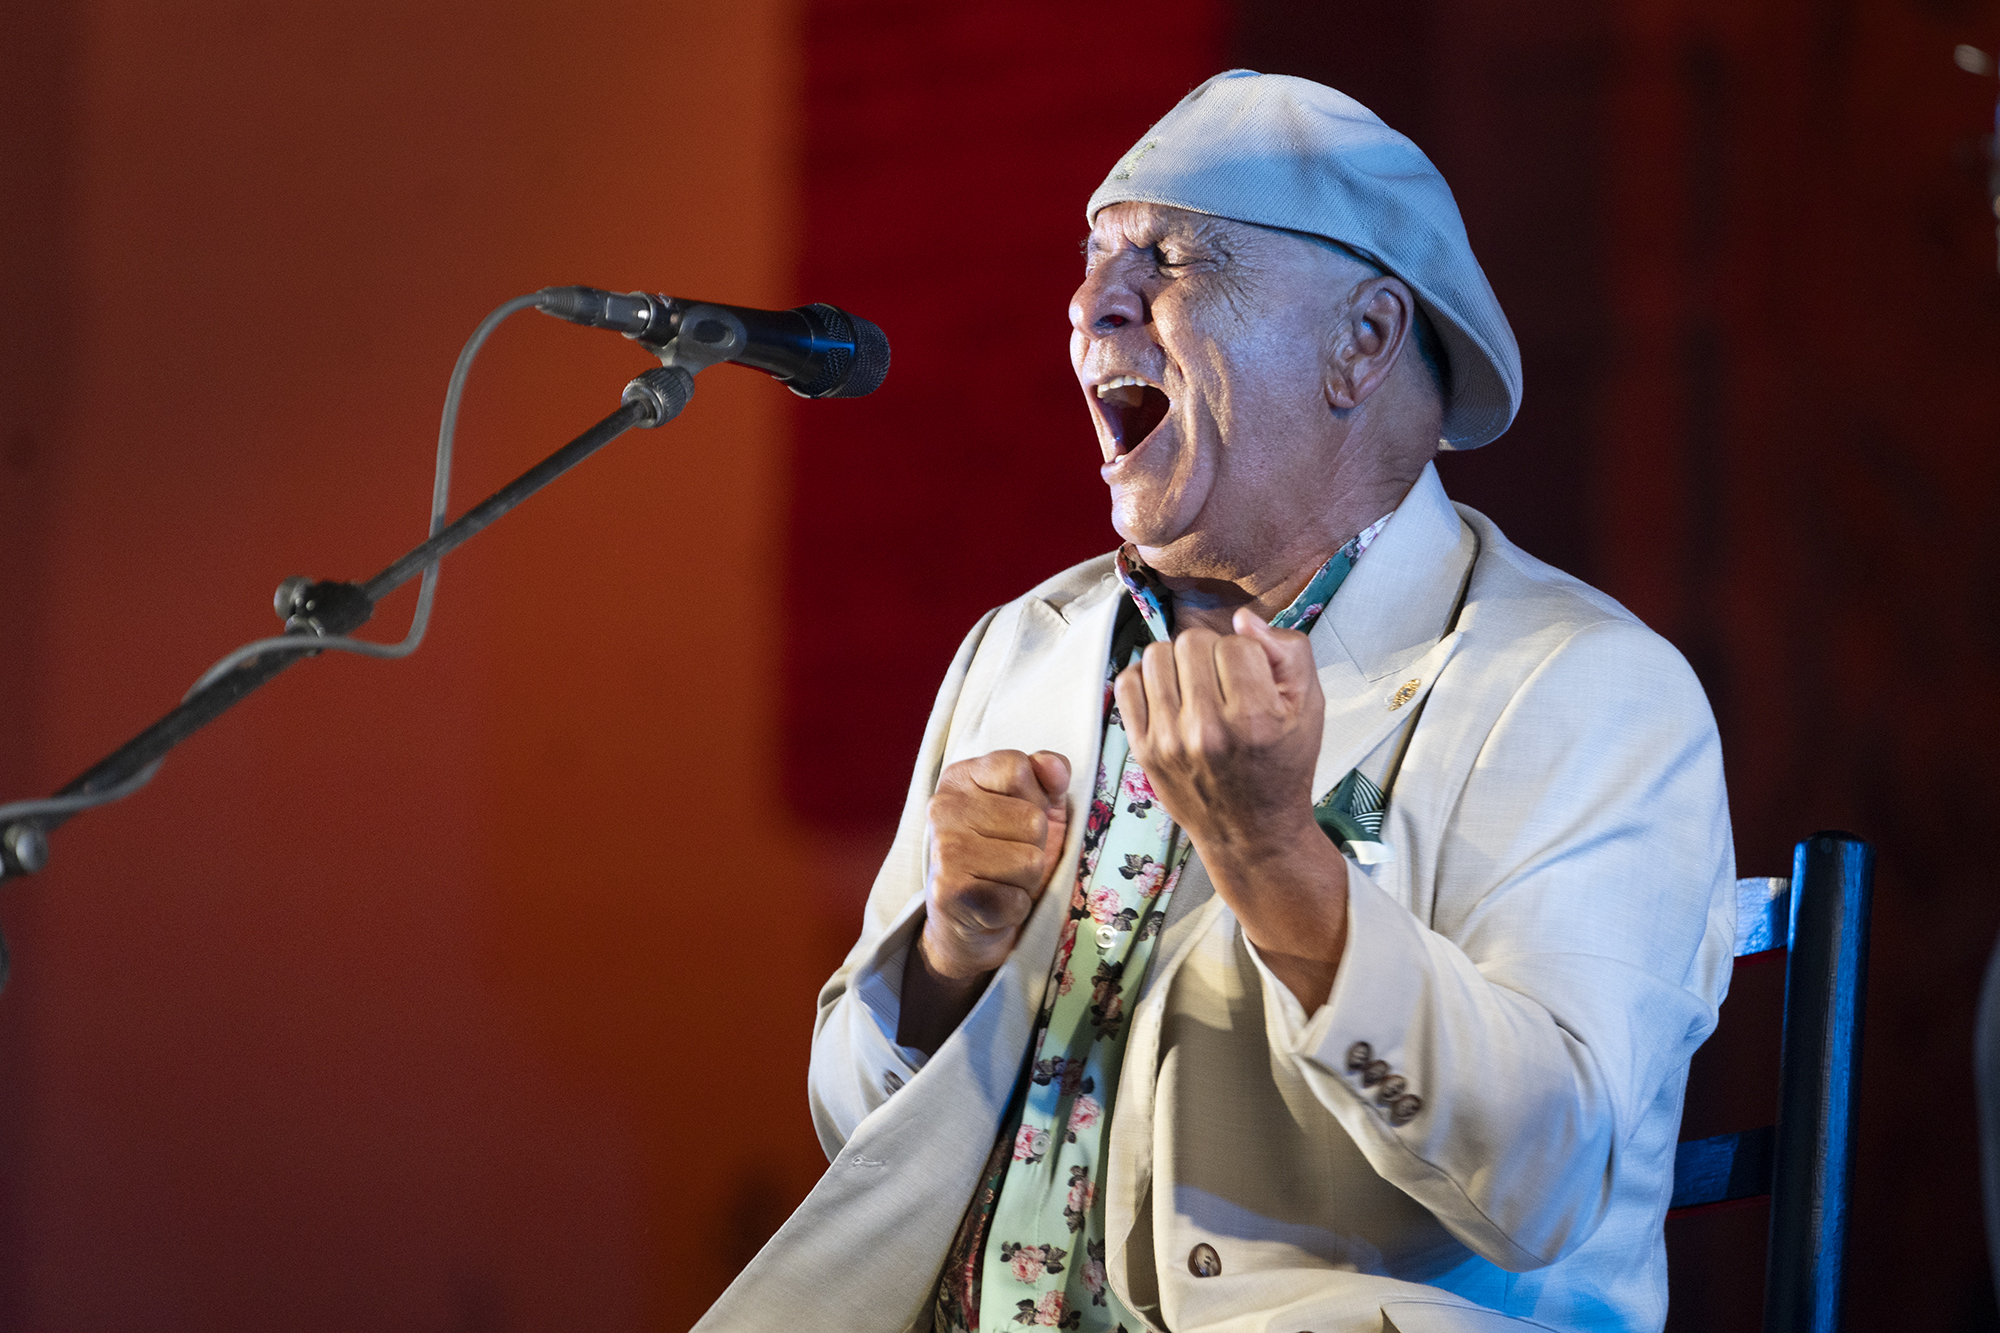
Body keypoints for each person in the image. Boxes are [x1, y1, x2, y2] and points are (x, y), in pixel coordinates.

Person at [697, 71, 1735, 1333]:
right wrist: (945, 957)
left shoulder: (1576, 685)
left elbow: (1543, 1179)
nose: (1090, 304)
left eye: (1171, 260)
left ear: (1361, 339)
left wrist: (1277, 862)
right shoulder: (1023, 650)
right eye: (1089, 262)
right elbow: (860, 1135)